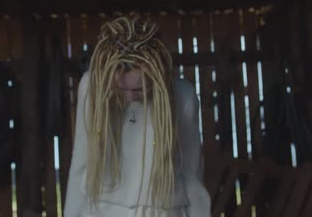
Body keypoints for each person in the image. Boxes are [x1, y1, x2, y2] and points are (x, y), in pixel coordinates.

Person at [64, 16, 211, 217]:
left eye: (139, 89)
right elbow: (81, 163)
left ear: (157, 75)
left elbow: (191, 173)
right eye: (120, 88)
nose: (130, 97)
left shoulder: (182, 95)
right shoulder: (90, 88)